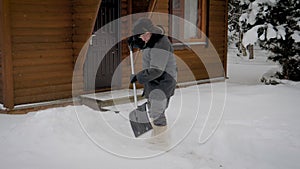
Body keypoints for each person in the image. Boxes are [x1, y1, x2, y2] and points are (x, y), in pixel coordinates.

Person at [128, 18, 177, 127]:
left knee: (157, 112)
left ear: (149, 31)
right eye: (140, 37)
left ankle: (160, 138)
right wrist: (135, 42)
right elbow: (147, 47)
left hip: (163, 81)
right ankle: (156, 130)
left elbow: (156, 70)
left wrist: (138, 77)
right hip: (153, 80)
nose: (143, 39)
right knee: (153, 106)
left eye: (143, 36)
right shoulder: (152, 39)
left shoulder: (160, 44)